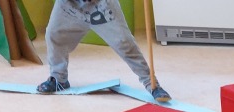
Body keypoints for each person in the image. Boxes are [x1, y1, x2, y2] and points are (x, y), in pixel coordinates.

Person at [36, 0, 170, 102]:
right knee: (54, 35)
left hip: (102, 6)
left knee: (124, 43)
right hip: (69, 6)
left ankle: (152, 85)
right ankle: (59, 79)